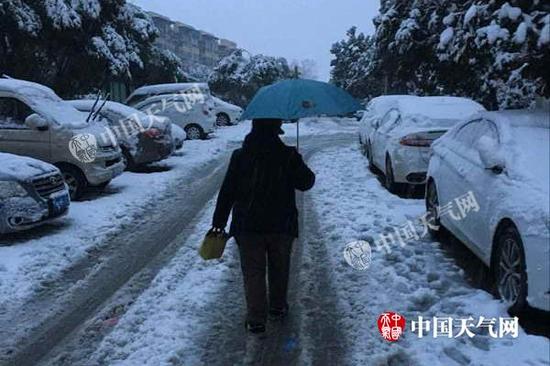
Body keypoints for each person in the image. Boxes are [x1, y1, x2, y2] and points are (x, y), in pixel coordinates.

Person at [211, 118, 315, 334]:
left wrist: (219, 222)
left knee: (253, 273)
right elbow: (306, 183)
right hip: (281, 225)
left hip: (248, 226)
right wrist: (296, 160)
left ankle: (256, 318)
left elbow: (227, 191)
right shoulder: (287, 155)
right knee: (280, 268)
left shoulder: (240, 156)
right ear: (277, 129)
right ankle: (277, 307)